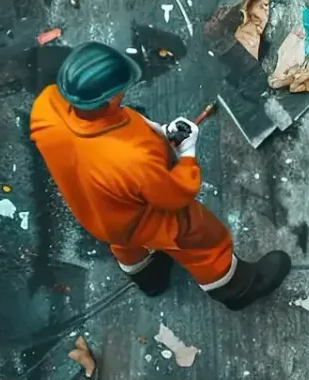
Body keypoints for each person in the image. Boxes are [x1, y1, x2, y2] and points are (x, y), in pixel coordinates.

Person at [28, 43, 290, 309]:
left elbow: (103, 139)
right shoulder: (133, 158)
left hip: (99, 213)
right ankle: (237, 288)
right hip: (144, 216)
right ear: (107, 99)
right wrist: (186, 153)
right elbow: (175, 195)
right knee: (201, 239)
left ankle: (148, 276)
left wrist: (156, 134)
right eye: (120, 90)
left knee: (125, 244)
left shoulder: (46, 109)